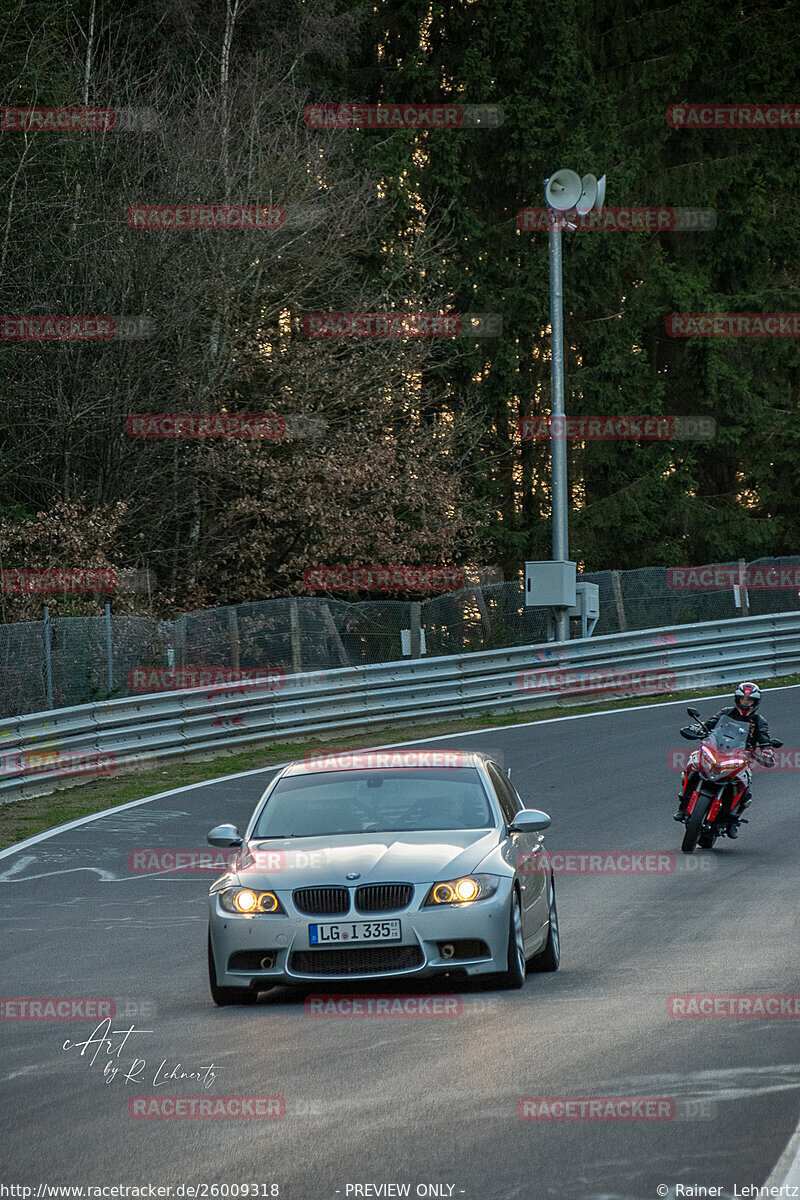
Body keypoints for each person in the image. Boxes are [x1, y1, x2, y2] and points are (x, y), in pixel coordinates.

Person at [673, 682, 775, 837]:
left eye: (750, 700)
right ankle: (683, 806)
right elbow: (709, 725)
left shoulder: (759, 721)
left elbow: (764, 739)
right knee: (692, 766)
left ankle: (733, 820)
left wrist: (767, 752)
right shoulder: (726, 712)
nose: (746, 703)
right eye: (743, 699)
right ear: (737, 699)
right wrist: (699, 729)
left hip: (742, 758)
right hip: (716, 750)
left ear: (756, 702)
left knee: (745, 790)